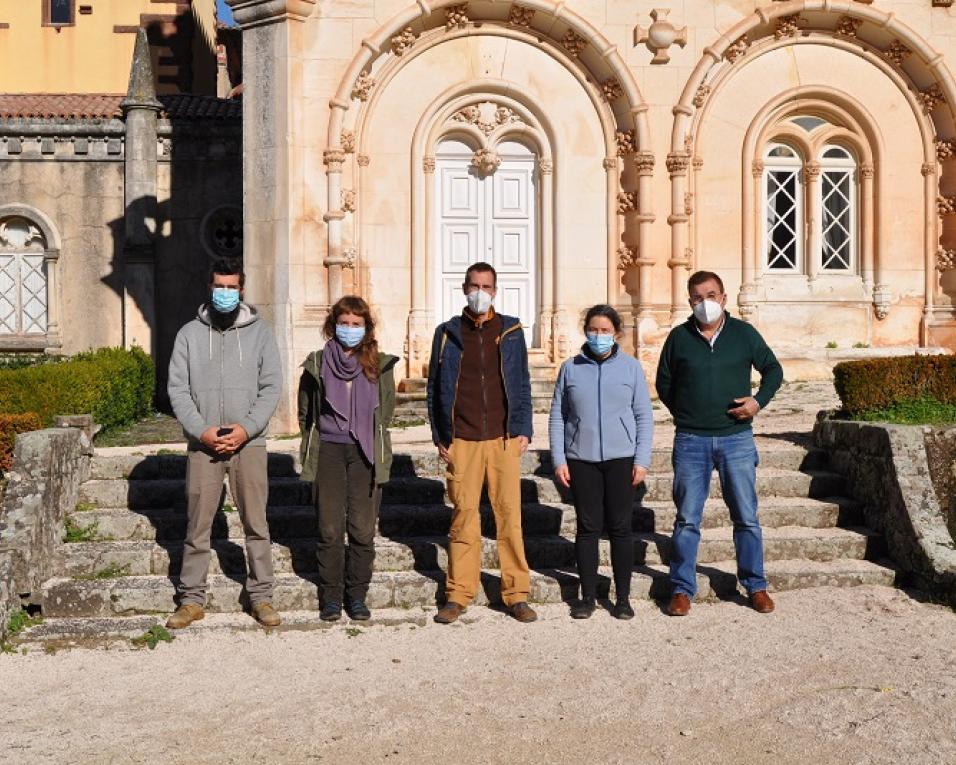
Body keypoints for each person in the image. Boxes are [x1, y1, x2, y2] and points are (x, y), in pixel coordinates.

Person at [655, 270, 783, 616]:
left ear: (724, 298)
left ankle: (755, 585)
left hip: (736, 439)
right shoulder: (679, 338)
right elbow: (664, 382)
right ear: (689, 301)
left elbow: (773, 370)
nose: (704, 303)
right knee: (687, 519)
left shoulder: (743, 334)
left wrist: (758, 402)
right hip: (691, 440)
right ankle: (682, 589)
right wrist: (686, 413)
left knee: (745, 516)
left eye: (711, 295)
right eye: (697, 297)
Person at [166, 257, 282, 629]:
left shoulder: (262, 333)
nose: (226, 293)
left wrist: (246, 429)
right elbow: (178, 390)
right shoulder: (188, 334)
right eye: (220, 286)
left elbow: (271, 387)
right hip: (204, 446)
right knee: (198, 525)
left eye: (232, 287)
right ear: (210, 286)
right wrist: (201, 430)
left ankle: (261, 596)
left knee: (256, 523)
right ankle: (191, 599)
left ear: (242, 289)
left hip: (249, 445)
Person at [427, 262, 536, 624]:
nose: (480, 292)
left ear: (495, 291)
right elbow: (434, 389)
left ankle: (517, 593)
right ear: (463, 288)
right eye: (474, 285)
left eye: (486, 286)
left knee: (509, 517)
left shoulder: (512, 330)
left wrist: (523, 428)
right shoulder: (447, 333)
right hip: (462, 438)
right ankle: (458, 594)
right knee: (463, 519)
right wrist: (440, 435)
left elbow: (521, 381)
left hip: (503, 439)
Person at [549, 305, 654, 619]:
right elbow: (558, 416)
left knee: (621, 528)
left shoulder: (631, 368)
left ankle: (622, 598)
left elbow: (643, 416)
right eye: (593, 329)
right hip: (582, 459)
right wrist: (558, 459)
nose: (599, 335)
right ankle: (588, 596)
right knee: (588, 528)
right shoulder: (570, 368)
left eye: (605, 330)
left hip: (622, 458)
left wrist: (642, 459)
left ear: (616, 333)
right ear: (586, 331)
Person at [297, 296, 398, 622]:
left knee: (362, 528)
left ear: (366, 327)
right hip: (328, 449)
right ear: (333, 325)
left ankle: (356, 596)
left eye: (357, 324)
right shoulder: (317, 362)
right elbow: (305, 412)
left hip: (364, 453)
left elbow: (386, 411)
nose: (350, 329)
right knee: (328, 527)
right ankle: (330, 598)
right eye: (345, 323)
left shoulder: (378, 365)